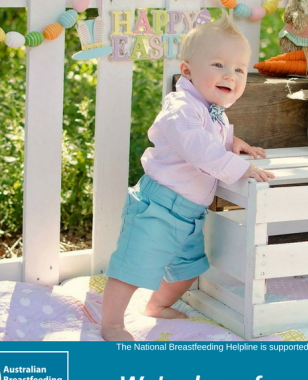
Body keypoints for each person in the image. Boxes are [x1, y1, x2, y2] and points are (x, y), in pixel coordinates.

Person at [101, 11, 275, 341]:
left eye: (239, 69)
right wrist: (240, 168)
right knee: (132, 266)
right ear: (187, 71)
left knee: (187, 270)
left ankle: (155, 306)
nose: (231, 75)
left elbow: (211, 138)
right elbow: (198, 148)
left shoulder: (212, 112)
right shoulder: (180, 107)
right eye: (219, 65)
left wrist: (234, 143)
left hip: (191, 214)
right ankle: (111, 323)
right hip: (159, 206)